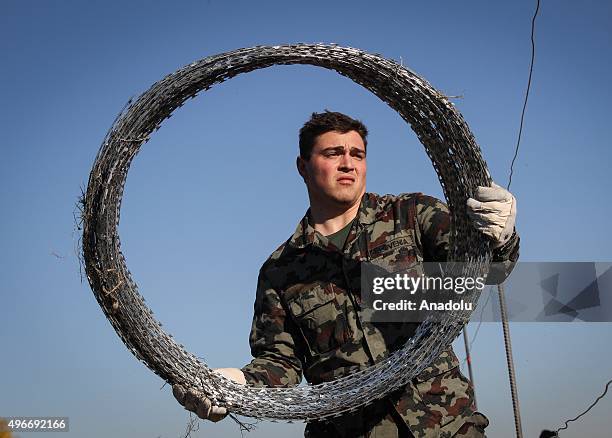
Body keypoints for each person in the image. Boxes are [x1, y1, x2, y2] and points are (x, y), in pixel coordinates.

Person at [173, 111, 519, 437]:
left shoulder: (412, 215)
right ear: (303, 166)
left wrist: (500, 237)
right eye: (333, 153)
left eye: (357, 153)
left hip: (446, 425)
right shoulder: (281, 270)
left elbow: (482, 271)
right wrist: (235, 386)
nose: (348, 163)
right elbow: (280, 363)